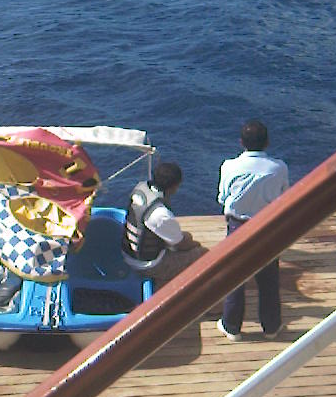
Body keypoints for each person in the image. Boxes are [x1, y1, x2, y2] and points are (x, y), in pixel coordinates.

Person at [216, 119, 289, 340]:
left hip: (238, 226)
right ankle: (271, 327)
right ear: (267, 142)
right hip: (267, 228)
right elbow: (284, 197)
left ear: (241, 142)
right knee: (268, 280)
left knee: (234, 277)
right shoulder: (279, 168)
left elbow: (222, 197)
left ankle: (232, 326)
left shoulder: (229, 166)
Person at [122, 161, 202, 286]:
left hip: (129, 253)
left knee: (183, 236)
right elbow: (180, 245)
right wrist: (196, 245)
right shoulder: (160, 214)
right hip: (146, 265)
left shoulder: (140, 190)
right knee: (202, 254)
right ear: (174, 187)